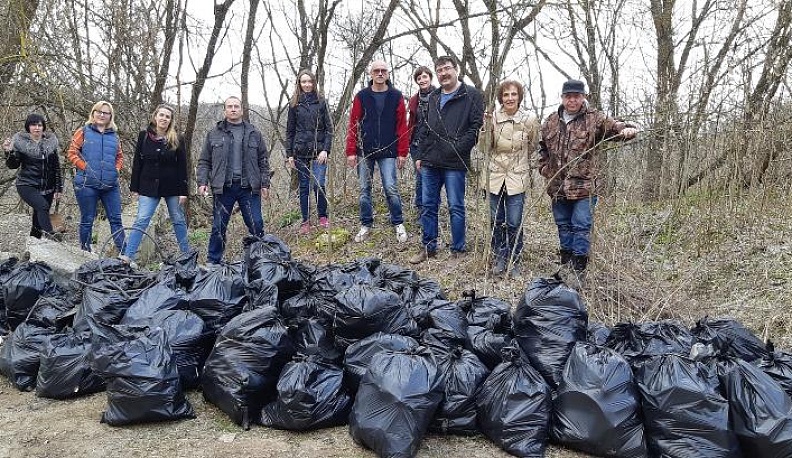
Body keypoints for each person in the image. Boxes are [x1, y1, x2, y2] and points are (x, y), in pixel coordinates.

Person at [536, 79, 638, 273]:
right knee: (563, 225)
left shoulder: (594, 118)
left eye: (576, 96)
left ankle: (579, 268)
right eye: (568, 96)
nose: (572, 100)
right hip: (557, 186)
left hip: (584, 187)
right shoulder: (550, 121)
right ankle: (565, 265)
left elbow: (615, 128)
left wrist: (627, 130)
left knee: (581, 225)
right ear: (562, 98)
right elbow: (542, 149)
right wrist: (544, 169)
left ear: (583, 97)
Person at [409, 56, 484, 264]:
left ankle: (458, 250)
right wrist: (420, 155)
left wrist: (456, 148)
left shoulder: (471, 95)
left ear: (456, 69)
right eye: (439, 70)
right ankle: (428, 247)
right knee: (428, 206)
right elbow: (424, 127)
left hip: (455, 162)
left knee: (456, 207)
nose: (443, 73)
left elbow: (475, 129)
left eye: (447, 68)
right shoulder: (433, 96)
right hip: (430, 161)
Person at [197, 96, 271, 265]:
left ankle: (260, 260)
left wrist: (265, 183)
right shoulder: (214, 134)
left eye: (236, 106)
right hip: (223, 188)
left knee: (256, 224)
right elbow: (204, 161)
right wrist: (202, 182)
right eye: (229, 106)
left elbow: (263, 160)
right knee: (218, 226)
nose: (233, 109)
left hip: (249, 187)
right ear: (225, 110)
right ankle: (213, 262)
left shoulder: (254, 133)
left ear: (242, 110)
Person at [345, 60, 409, 243]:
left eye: (383, 71)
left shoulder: (396, 96)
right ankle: (366, 224)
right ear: (371, 74)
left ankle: (398, 222)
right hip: (365, 150)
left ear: (387, 74)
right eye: (376, 71)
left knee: (391, 187)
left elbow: (402, 126)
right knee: (364, 189)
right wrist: (351, 151)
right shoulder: (362, 96)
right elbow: (353, 124)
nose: (380, 73)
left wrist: (402, 152)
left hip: (389, 150)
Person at [480, 80, 539, 278]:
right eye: (506, 95)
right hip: (494, 176)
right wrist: (486, 127)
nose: (510, 98)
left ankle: (514, 259)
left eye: (514, 94)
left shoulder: (530, 119)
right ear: (500, 98)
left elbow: (532, 146)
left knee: (514, 222)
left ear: (519, 96)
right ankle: (499, 257)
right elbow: (484, 148)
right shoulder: (492, 117)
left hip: (517, 177)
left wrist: (519, 163)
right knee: (495, 221)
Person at [119, 104, 190, 264]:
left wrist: (183, 191)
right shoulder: (144, 136)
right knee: (142, 219)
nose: (164, 118)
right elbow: (137, 163)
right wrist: (134, 188)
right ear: (155, 116)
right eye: (161, 115)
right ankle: (127, 256)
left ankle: (187, 255)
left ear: (171, 120)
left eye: (167, 116)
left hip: (172, 186)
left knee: (178, 219)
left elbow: (182, 166)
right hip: (148, 185)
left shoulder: (177, 139)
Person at [66, 101, 125, 252]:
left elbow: (119, 157)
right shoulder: (83, 131)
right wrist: (85, 168)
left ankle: (124, 254)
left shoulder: (114, 136)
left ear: (110, 116)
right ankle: (85, 252)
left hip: (110, 185)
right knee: (87, 219)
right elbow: (72, 153)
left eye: (105, 113)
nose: (102, 115)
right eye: (98, 111)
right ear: (93, 113)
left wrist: (116, 170)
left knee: (116, 220)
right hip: (87, 184)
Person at [285, 69, 334, 235]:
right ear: (299, 84)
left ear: (314, 83)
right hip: (300, 152)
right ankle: (305, 221)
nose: (307, 84)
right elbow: (290, 131)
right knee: (304, 187)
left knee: (319, 184)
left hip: (319, 152)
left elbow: (329, 129)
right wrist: (289, 154)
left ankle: (323, 217)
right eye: (303, 81)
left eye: (309, 81)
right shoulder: (294, 104)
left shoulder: (321, 102)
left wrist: (325, 150)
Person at [3, 114, 63, 240]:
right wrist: (8, 152)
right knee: (43, 206)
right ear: (28, 127)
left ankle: (34, 242)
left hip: (48, 187)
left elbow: (56, 167)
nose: (37, 128)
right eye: (33, 125)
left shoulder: (50, 144)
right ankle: (51, 235)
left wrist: (59, 188)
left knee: (38, 217)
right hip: (27, 184)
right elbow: (13, 165)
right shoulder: (21, 144)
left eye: (39, 125)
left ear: (43, 127)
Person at [407, 65, 436, 218]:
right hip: (417, 144)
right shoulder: (414, 100)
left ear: (430, 78)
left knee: (432, 177)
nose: (422, 80)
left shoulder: (440, 95)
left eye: (425, 77)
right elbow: (411, 123)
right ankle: (421, 209)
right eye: (419, 78)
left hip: (435, 144)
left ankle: (431, 208)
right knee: (421, 176)